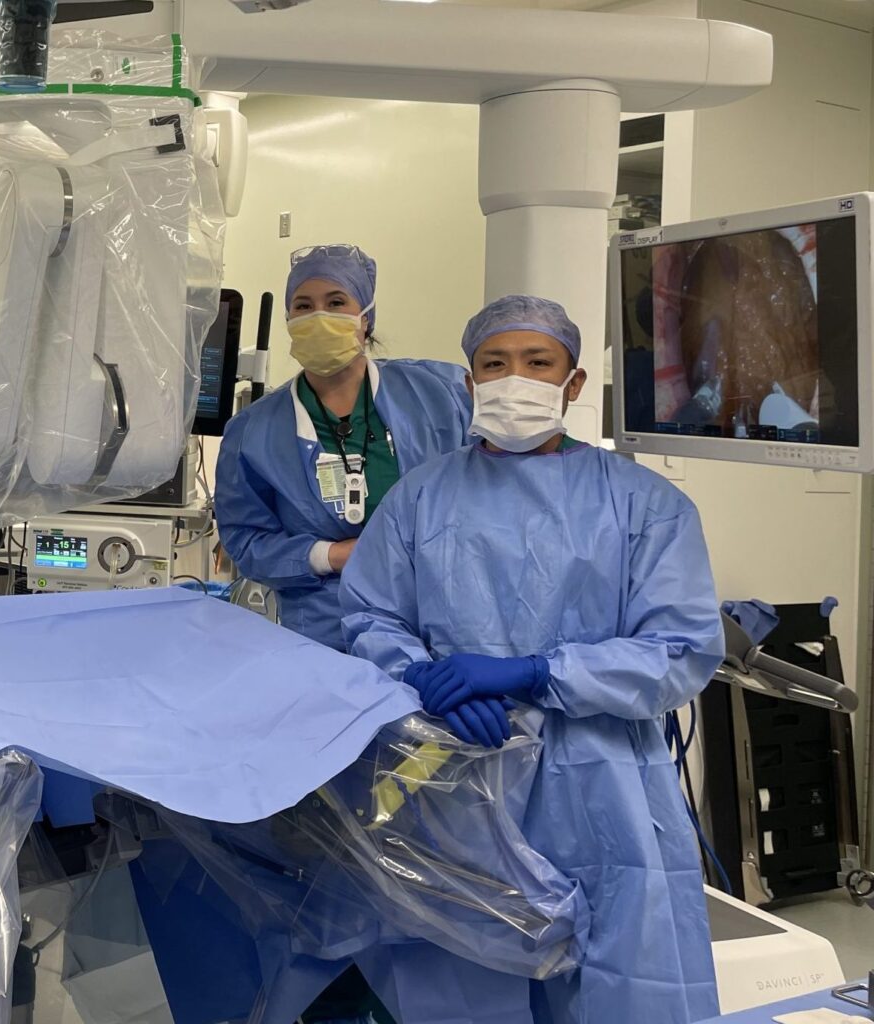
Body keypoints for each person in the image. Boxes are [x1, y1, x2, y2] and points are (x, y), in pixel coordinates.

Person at [341, 294, 722, 1023]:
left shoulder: (644, 504)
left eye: (537, 363)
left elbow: (680, 648)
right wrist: (425, 679)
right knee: (460, 967)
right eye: (495, 364)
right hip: (452, 766)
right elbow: (370, 614)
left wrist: (537, 673)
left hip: (602, 785)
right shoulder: (421, 498)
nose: (515, 378)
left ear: (573, 384)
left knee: (617, 979)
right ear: (469, 382)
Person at [215, 244, 471, 651]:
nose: (319, 317)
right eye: (304, 306)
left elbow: (490, 491)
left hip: (442, 617)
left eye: (336, 302)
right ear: (288, 319)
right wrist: (329, 555)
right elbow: (245, 540)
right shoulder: (253, 432)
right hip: (327, 631)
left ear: (365, 317)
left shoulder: (441, 394)